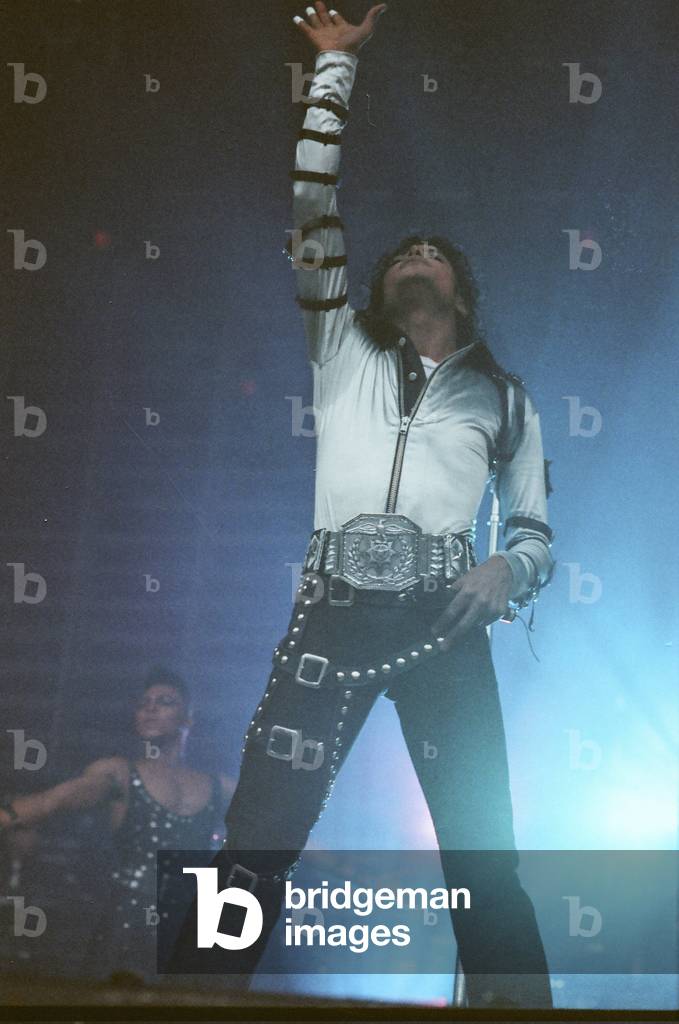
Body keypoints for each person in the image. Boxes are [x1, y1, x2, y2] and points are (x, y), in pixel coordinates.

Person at [171, 3, 556, 1009]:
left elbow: (532, 528)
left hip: (444, 621)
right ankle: (188, 1000)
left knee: (484, 853)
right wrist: (333, 72)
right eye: (400, 250)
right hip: (332, 616)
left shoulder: (506, 397)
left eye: (433, 250)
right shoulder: (339, 346)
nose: (413, 251)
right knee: (256, 834)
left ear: (460, 292)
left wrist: (506, 567)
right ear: (377, 286)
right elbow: (312, 204)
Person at [0, 667, 234, 983]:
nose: (150, 708)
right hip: (126, 924)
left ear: (188, 718)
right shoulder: (119, 773)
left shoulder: (220, 787)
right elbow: (50, 802)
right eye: (144, 703)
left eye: (164, 702)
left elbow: (280, 828)